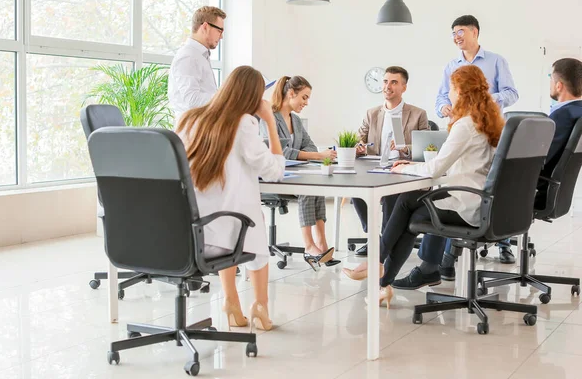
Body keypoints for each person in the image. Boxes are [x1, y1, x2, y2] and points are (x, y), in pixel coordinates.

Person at [344, 65, 504, 305]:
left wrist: (404, 167)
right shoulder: (488, 121)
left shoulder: (465, 125)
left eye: (451, 89)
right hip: (479, 200)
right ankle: (382, 280)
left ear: (461, 92)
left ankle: (378, 266)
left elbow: (434, 169)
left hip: (466, 204)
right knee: (407, 207)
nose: (449, 94)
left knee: (407, 205)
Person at [176, 66, 285, 331]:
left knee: (239, 222)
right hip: (229, 226)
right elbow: (274, 171)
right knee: (252, 224)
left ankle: (230, 300)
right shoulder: (244, 123)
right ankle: (261, 305)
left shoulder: (190, 118)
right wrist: (270, 121)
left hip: (191, 227)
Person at [435, 14, 519, 265]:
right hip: (461, 128)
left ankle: (503, 242)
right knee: (457, 181)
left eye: (460, 31)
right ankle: (449, 256)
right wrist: (443, 109)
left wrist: (482, 100)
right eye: (453, 33)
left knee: (491, 179)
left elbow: (511, 93)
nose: (456, 37)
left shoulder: (495, 61)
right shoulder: (450, 66)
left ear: (475, 32)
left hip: (488, 130)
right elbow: (441, 97)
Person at [349, 66, 429, 259]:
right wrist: (359, 147)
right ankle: (375, 237)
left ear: (404, 87)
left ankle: (386, 242)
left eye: (394, 82)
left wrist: (406, 148)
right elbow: (360, 140)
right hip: (374, 166)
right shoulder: (372, 113)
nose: (388, 86)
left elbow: (427, 147)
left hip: (401, 168)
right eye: (385, 81)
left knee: (392, 194)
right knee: (355, 191)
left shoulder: (418, 114)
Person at [260, 76, 340, 268]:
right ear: (291, 93)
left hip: (293, 172)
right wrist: (317, 155)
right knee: (307, 189)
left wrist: (320, 155)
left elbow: (309, 145)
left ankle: (322, 243)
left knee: (317, 186)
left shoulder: (295, 120)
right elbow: (281, 151)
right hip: (274, 175)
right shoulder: (269, 116)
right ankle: (308, 246)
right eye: (304, 97)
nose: (306, 102)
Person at [535, 58, 582, 210]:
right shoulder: (577, 112)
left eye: (551, 78)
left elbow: (541, 160)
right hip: (557, 191)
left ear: (558, 85)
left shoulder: (562, 116)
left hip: (537, 191)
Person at [168, 6, 226, 118]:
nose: (221, 36)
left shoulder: (200, 55)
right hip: (192, 130)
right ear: (205, 27)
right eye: (219, 31)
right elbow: (192, 99)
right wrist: (225, 97)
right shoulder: (188, 57)